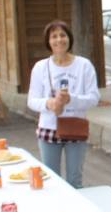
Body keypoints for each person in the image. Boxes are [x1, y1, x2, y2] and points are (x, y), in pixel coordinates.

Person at [27, 20, 100, 188]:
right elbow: (32, 100)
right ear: (48, 41)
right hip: (49, 128)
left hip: (75, 127)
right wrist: (50, 103)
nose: (59, 40)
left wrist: (70, 99)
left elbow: (94, 97)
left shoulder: (84, 65)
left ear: (69, 38)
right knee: (52, 181)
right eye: (54, 36)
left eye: (63, 35)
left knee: (75, 180)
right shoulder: (40, 67)